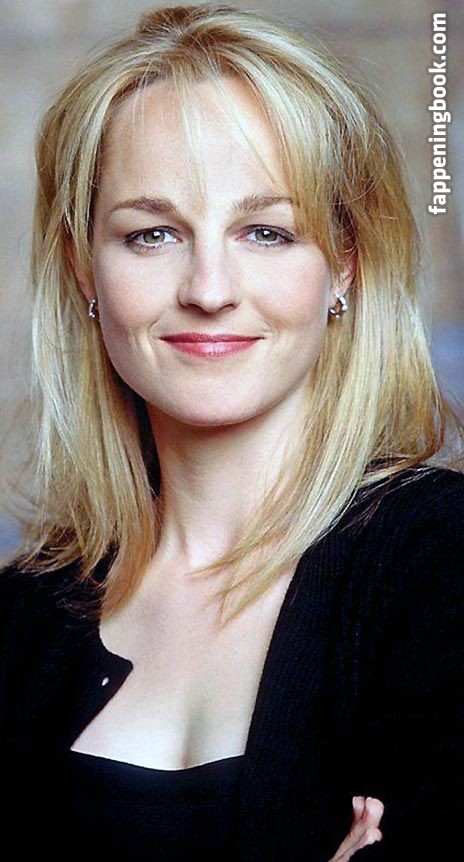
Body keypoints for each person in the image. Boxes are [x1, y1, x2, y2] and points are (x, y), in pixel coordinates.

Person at [0, 3, 463, 860]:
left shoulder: (443, 564)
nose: (209, 289)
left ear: (345, 263)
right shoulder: (18, 619)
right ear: (84, 268)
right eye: (152, 234)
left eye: (265, 232)